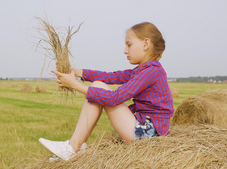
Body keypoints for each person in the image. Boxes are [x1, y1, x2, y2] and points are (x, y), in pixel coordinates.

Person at [39, 22, 174, 161]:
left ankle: (73, 148)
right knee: (99, 85)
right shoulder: (143, 70)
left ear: (146, 44)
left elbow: (115, 98)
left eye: (129, 45)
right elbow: (111, 76)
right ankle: (74, 147)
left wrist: (75, 85)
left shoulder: (152, 71)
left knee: (98, 87)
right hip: (144, 131)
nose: (125, 50)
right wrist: (76, 72)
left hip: (148, 136)